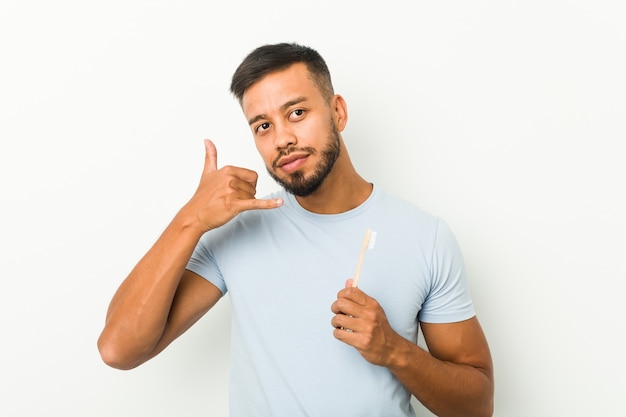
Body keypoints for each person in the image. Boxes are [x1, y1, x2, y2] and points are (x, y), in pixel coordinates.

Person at [98, 42, 494, 417]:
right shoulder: (241, 229)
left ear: (337, 112)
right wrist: (191, 219)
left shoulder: (425, 237)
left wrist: (394, 351)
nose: (283, 139)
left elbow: (477, 406)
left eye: (297, 113)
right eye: (263, 126)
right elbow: (119, 349)